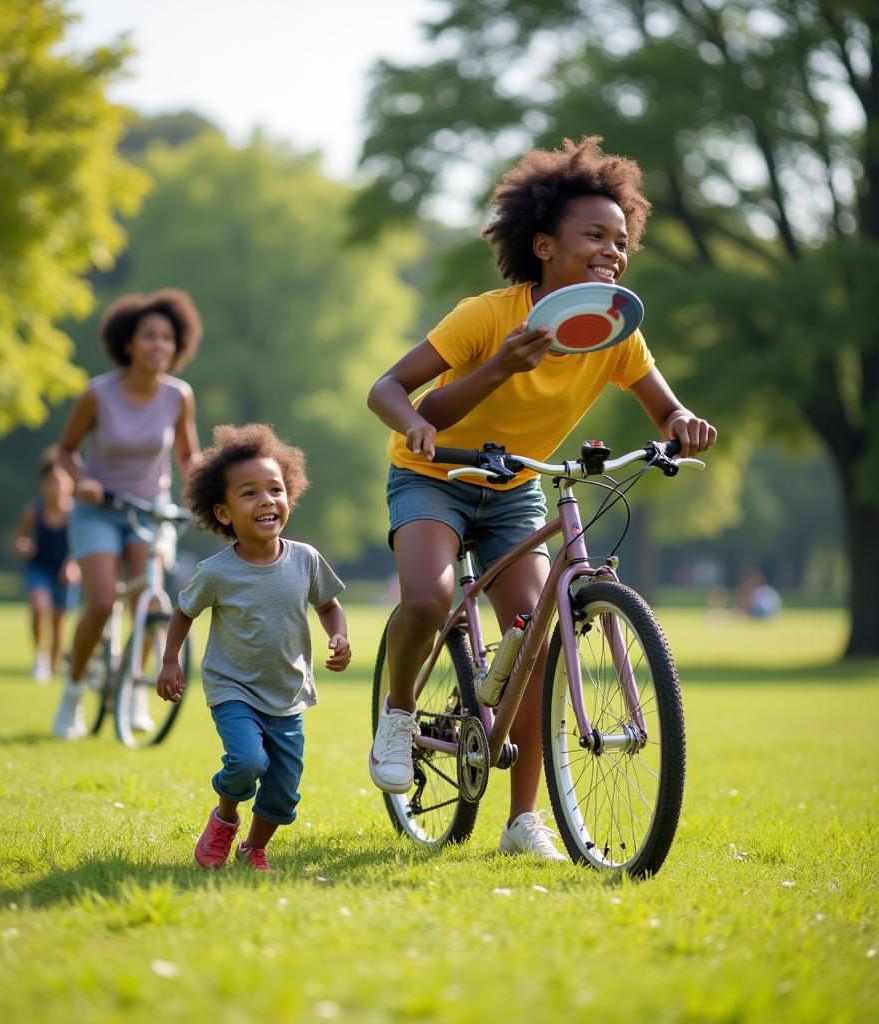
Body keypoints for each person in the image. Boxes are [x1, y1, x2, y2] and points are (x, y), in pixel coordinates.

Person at [366, 136, 717, 860]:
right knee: (429, 602)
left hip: (518, 488)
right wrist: (486, 376)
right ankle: (398, 715)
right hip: (436, 476)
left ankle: (525, 821)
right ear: (544, 245)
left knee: (536, 637)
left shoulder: (617, 334)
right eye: (594, 235)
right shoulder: (490, 316)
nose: (611, 251)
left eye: (621, 239)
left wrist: (681, 423)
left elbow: (666, 410)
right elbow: (388, 391)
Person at [156, 423, 351, 871]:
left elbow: (329, 606)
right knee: (245, 761)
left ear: (289, 496)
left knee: (284, 787)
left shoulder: (305, 559)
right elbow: (184, 612)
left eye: (275, 489)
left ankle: (253, 847)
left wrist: (337, 635)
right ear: (223, 513)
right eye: (250, 494)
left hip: (287, 692)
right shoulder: (217, 571)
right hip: (233, 688)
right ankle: (224, 819)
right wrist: (170, 661)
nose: (266, 500)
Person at [52, 289, 202, 739]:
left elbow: (187, 457)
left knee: (147, 600)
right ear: (129, 344)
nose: (160, 346)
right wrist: (81, 480)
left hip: (149, 511)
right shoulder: (97, 394)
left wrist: (212, 490)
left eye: (168, 339)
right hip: (99, 510)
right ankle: (73, 694)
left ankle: (135, 694)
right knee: (100, 603)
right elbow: (65, 451)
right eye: (150, 337)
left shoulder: (179, 396)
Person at [13, 450, 79, 683]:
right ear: (43, 484)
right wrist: (23, 545)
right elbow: (20, 536)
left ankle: (53, 665)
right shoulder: (34, 511)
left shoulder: (76, 513)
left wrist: (72, 566)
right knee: (39, 606)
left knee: (58, 624)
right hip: (39, 568)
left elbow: (81, 545)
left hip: (65, 573)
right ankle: (39, 658)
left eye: (60, 481)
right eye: (51, 481)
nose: (56, 486)